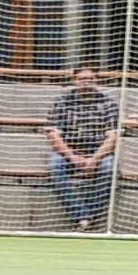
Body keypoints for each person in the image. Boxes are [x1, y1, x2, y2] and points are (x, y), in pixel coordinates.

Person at [45, 65, 121, 230]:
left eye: (90, 79)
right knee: (54, 165)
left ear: (97, 81)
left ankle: (86, 216)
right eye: (82, 79)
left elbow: (113, 137)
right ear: (74, 81)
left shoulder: (108, 104)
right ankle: (82, 215)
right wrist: (72, 157)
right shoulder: (61, 103)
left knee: (109, 168)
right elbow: (53, 136)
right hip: (69, 151)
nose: (86, 82)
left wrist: (95, 159)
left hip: (99, 152)